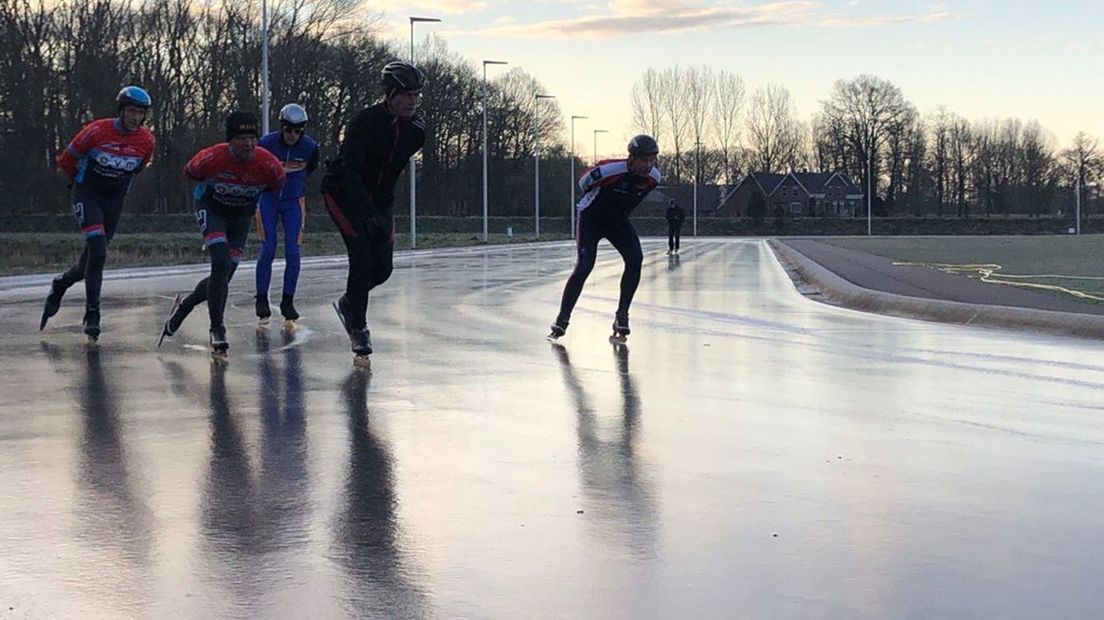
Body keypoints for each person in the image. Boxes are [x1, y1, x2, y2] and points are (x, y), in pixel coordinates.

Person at [321, 60, 426, 361]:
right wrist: (367, 214)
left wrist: (382, 207)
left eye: (416, 95)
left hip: (380, 197)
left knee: (383, 268)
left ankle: (348, 302)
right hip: (343, 192)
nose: (412, 101)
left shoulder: (417, 130)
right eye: (406, 95)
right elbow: (350, 171)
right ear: (390, 94)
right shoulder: (364, 122)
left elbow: (392, 170)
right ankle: (358, 327)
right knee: (362, 258)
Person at [159, 111, 285, 356]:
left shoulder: (269, 165)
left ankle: (184, 308)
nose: (248, 144)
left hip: (240, 217)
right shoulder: (211, 158)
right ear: (230, 140)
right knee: (220, 261)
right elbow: (189, 173)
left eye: (252, 138)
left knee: (223, 278)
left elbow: (276, 187)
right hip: (212, 210)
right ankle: (217, 328)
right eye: (241, 138)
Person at [42, 86, 156, 341]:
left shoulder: (147, 140)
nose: (135, 118)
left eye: (140, 113)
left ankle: (60, 284)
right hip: (88, 195)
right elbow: (66, 160)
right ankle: (92, 313)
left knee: (88, 264)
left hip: (113, 201)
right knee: (99, 251)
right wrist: (76, 180)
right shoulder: (97, 131)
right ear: (121, 111)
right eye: (131, 112)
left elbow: (137, 168)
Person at [548, 135, 661, 341]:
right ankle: (563, 318)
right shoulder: (610, 171)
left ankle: (622, 316)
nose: (648, 165)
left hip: (617, 222)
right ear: (631, 158)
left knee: (635, 259)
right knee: (584, 266)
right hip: (591, 219)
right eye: (643, 160)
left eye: (652, 160)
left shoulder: (653, 178)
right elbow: (584, 182)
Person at [254, 103, 321, 324]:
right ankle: (262, 298)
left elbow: (311, 168)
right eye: (288, 130)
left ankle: (287, 301)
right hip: (268, 200)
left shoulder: (310, 148)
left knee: (293, 251)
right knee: (269, 247)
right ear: (281, 127)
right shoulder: (266, 144)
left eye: (297, 131)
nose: (292, 136)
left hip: (294, 202)